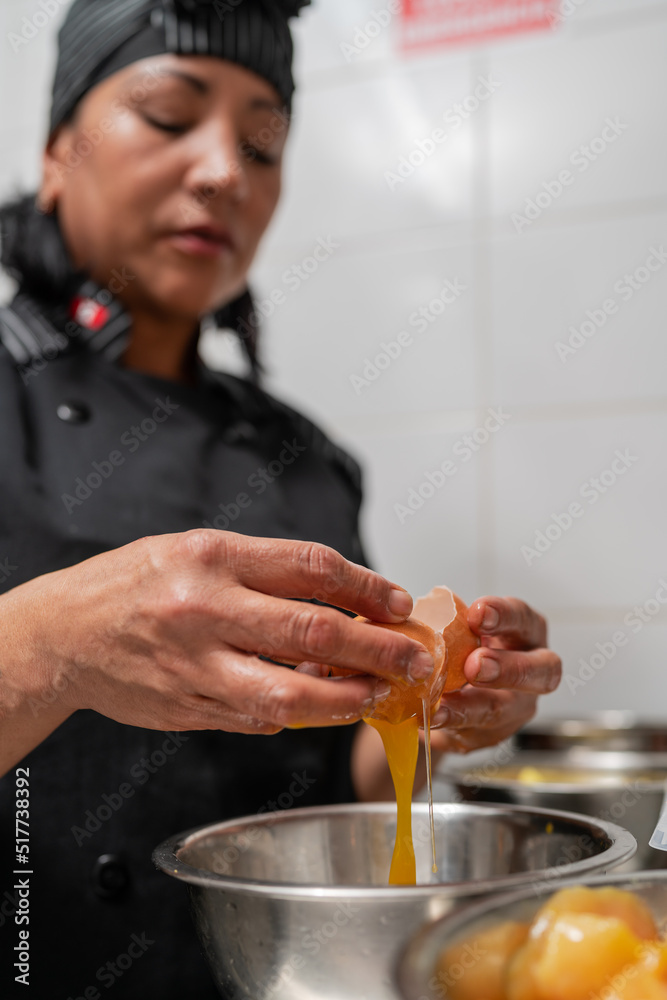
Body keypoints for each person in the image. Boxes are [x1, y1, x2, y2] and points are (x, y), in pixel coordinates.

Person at [0, 1, 562, 996]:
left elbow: (319, 769)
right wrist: (50, 648)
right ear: (56, 153)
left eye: (263, 144)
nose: (225, 172)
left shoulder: (305, 457)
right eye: (171, 116)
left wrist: (424, 713)